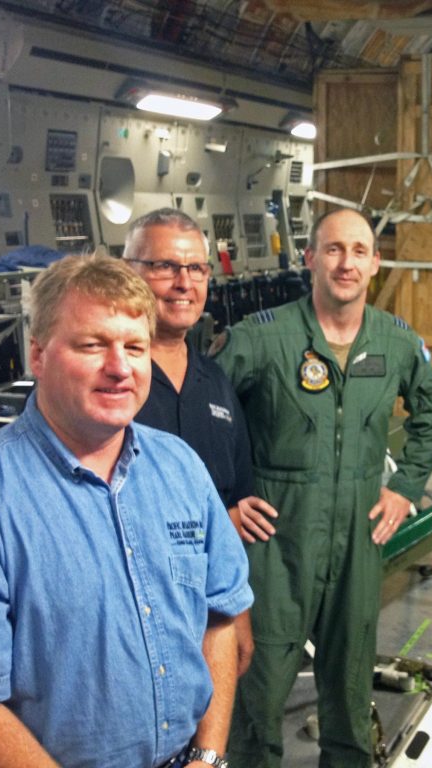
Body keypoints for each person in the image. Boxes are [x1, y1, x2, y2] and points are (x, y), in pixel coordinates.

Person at [0, 255, 252, 768]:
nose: (120, 367)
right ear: (37, 354)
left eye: (135, 347)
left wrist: (209, 754)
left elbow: (219, 618)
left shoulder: (180, 468)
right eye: (93, 345)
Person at [212, 207, 432, 767]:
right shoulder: (260, 339)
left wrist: (407, 485)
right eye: (334, 250)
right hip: (275, 540)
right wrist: (223, 498)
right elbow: (207, 411)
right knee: (260, 686)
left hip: (358, 540)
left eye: (359, 251)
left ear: (375, 263)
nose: (347, 263)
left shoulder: (394, 341)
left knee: (348, 685)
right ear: (310, 258)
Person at [125, 208, 275, 678]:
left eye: (196, 268)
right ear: (128, 271)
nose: (183, 282)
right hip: (130, 615)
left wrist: (238, 614)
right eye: (164, 266)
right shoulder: (111, 382)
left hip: (206, 614)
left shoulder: (214, 381)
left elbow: (237, 504)